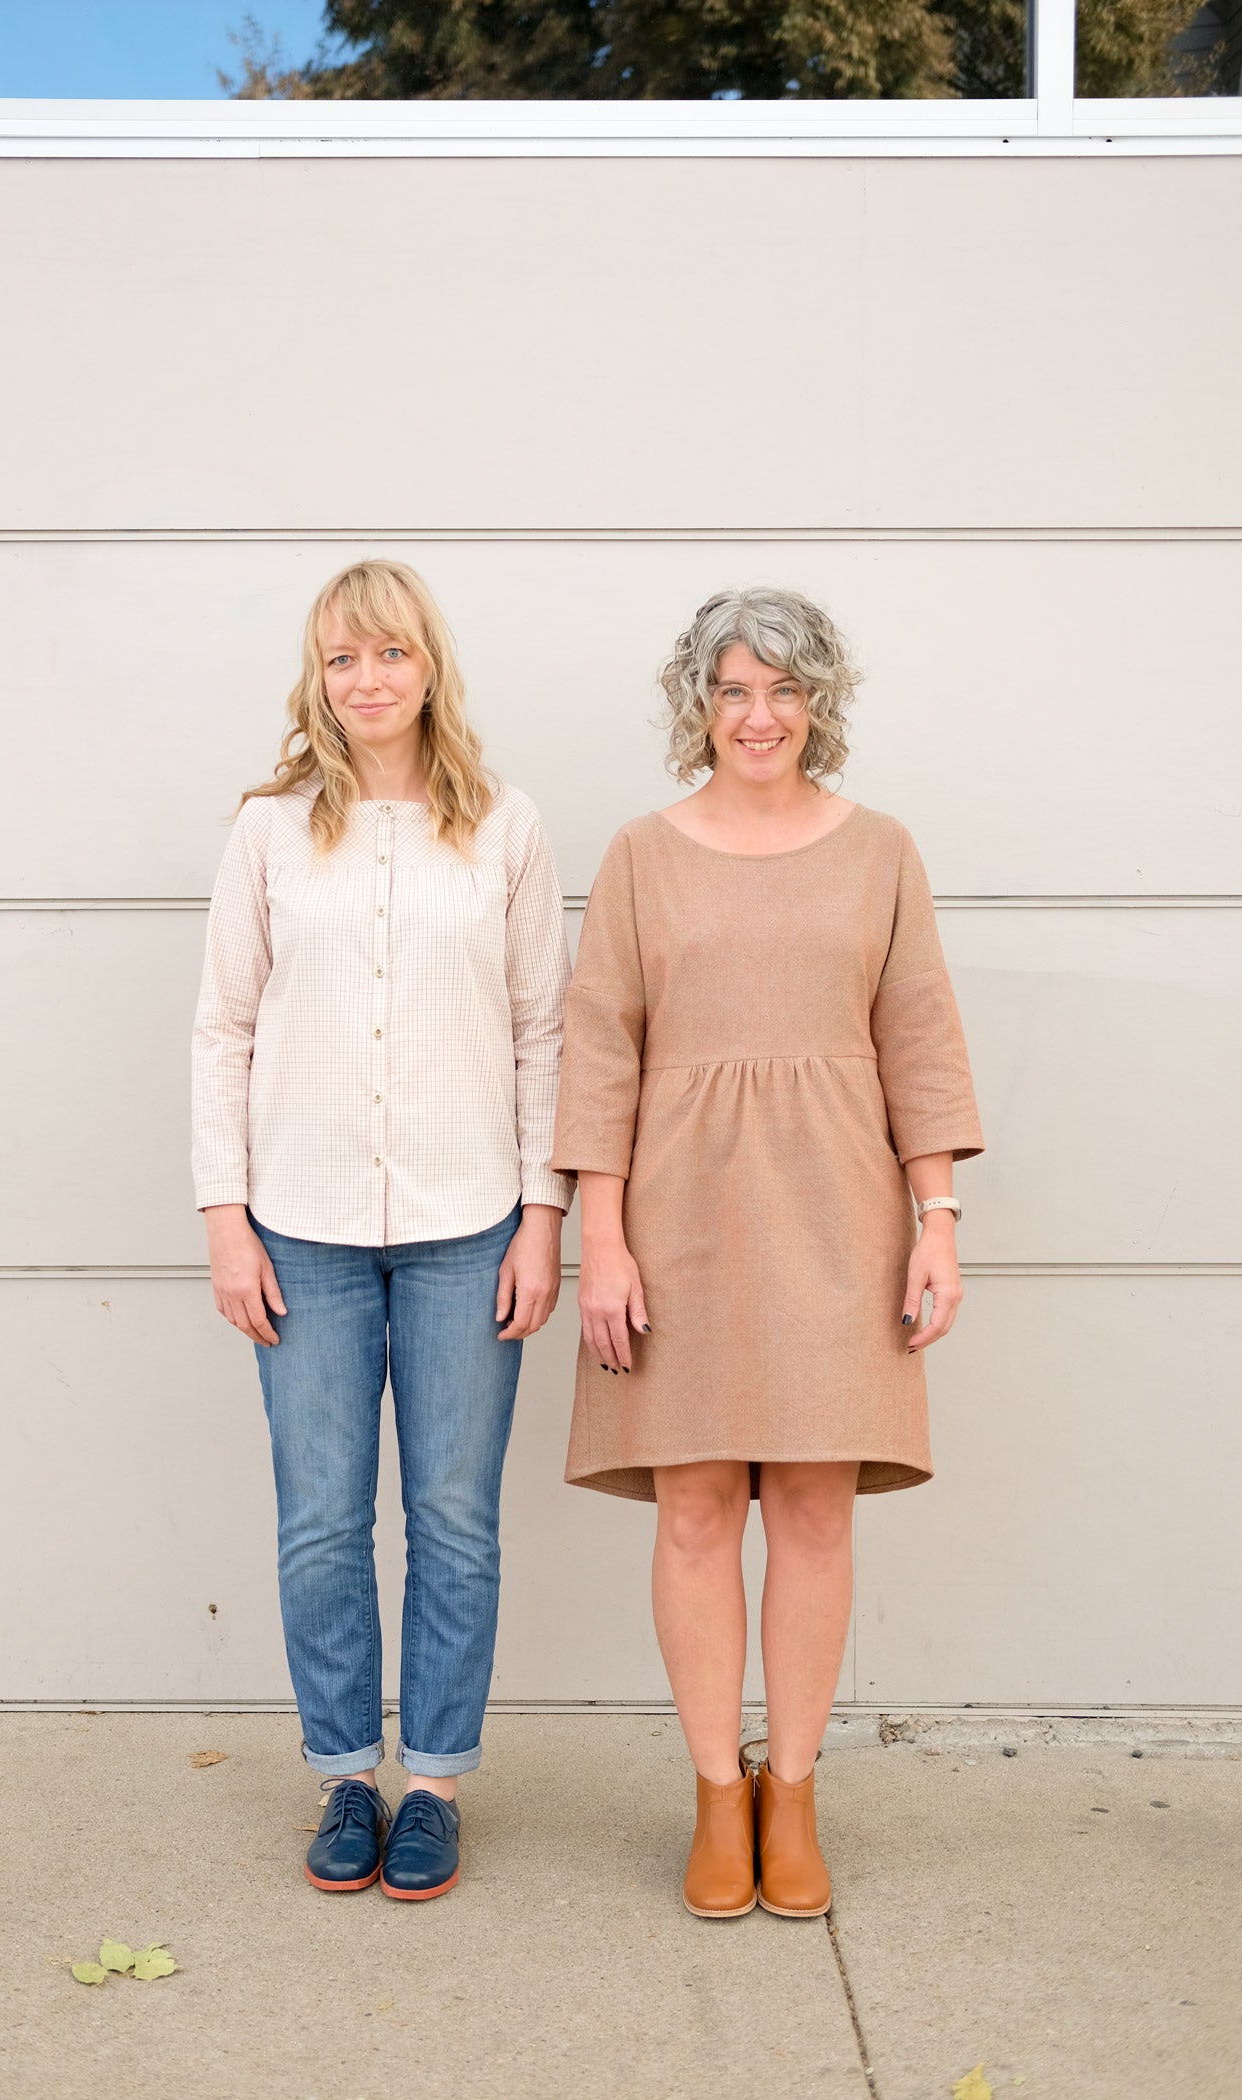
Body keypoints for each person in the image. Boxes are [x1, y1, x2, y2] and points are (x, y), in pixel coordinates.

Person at [549, 586, 983, 1919]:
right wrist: (602, 1242)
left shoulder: (881, 851)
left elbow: (917, 1038)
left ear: (819, 704)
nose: (759, 714)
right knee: (691, 1509)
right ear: (701, 702)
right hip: (677, 1217)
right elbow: (601, 1048)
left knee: (809, 1505)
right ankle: (712, 1794)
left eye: (784, 690)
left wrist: (937, 1226)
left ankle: (791, 1789)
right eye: (734, 689)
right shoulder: (640, 852)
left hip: (838, 1217)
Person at [191, 560, 572, 1902]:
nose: (368, 681)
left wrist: (545, 1217)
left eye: (391, 655)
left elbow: (541, 1034)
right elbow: (223, 1027)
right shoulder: (270, 834)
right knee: (320, 1521)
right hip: (301, 1224)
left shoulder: (508, 829)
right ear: (319, 677)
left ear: (428, 669)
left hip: (472, 1223)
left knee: (457, 1520)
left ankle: (438, 1785)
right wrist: (226, 1217)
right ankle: (348, 1772)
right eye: (343, 659)